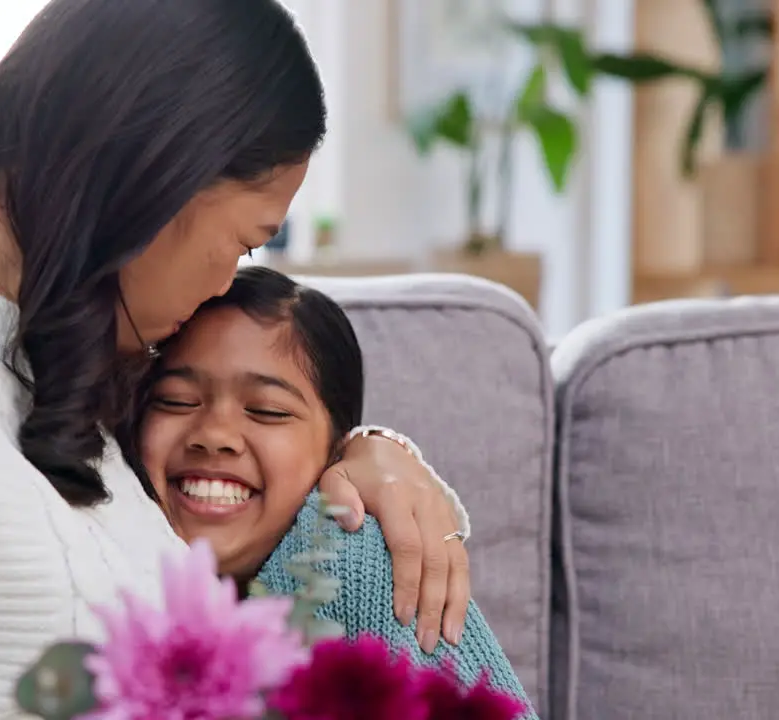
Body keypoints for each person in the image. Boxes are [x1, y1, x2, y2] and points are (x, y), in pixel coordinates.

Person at [0, 1, 471, 717]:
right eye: (245, 241)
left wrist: (367, 452)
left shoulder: (48, 386)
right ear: (161, 170)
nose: (220, 287)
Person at [137, 266, 534, 716]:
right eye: (175, 400)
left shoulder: (352, 557)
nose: (214, 434)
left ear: (336, 451)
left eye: (266, 411)